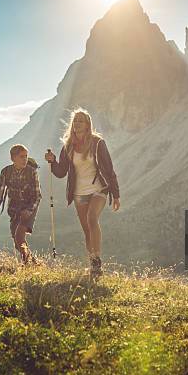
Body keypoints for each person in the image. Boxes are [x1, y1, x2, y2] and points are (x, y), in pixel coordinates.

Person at [44, 108, 120, 278]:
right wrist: (53, 161)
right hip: (79, 192)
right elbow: (61, 172)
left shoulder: (98, 143)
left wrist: (116, 195)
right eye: (75, 120)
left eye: (81, 120)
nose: (77, 123)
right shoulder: (68, 146)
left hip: (99, 189)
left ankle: (97, 260)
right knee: (86, 229)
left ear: (87, 125)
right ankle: (93, 264)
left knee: (92, 218)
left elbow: (109, 169)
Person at [0, 144, 42, 265]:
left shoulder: (32, 172)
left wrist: (29, 211)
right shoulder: (6, 172)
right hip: (14, 209)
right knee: (17, 241)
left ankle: (26, 265)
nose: (25, 159)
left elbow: (37, 195)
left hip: (29, 207)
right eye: (21, 157)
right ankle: (34, 263)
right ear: (13, 158)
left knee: (19, 236)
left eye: (26, 156)